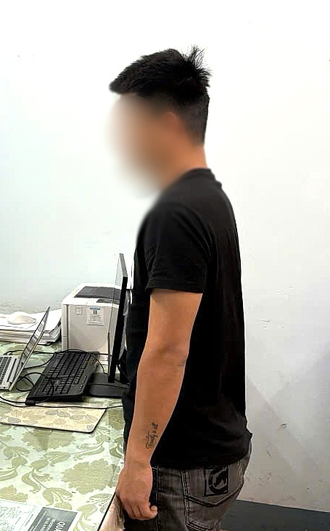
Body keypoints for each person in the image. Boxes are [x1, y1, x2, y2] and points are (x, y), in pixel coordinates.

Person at [109, 48, 252, 530]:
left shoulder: (175, 214)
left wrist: (137, 462)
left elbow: (168, 351)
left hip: (184, 463)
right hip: (211, 447)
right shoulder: (208, 197)